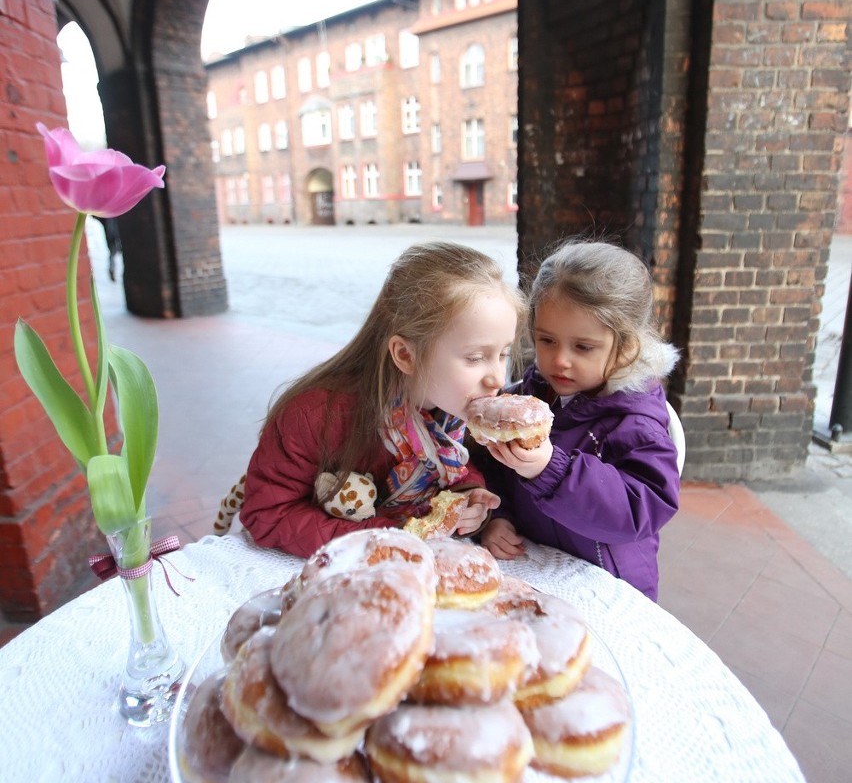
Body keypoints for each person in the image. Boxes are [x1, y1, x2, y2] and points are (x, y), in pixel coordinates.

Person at [240, 241, 525, 559]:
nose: (498, 379)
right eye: (475, 357)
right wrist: (385, 538)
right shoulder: (314, 416)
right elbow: (267, 514)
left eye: (503, 354)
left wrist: (467, 496)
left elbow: (454, 462)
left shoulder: (454, 406)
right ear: (406, 354)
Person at [478, 240, 681, 600]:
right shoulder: (529, 396)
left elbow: (641, 508)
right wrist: (498, 516)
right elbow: (493, 469)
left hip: (609, 586)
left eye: (582, 347)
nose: (560, 361)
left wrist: (550, 469)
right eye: (547, 340)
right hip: (537, 567)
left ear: (627, 347)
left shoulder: (635, 422)